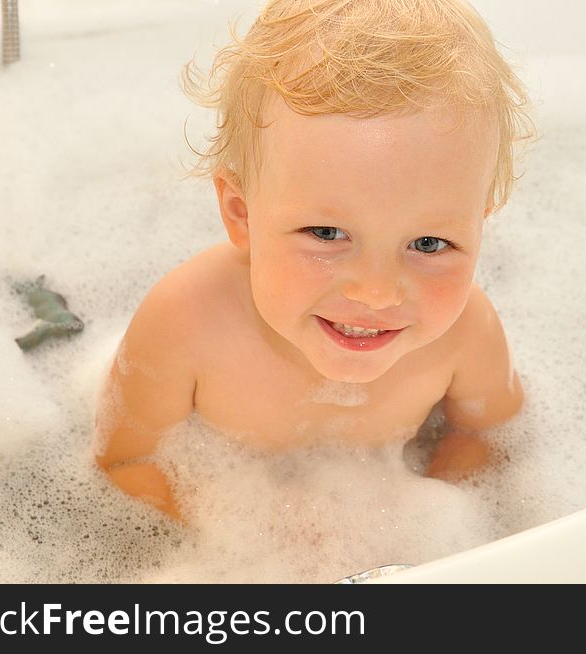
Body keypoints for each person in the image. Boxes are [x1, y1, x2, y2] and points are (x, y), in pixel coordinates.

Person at [94, 0, 532, 520]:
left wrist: (418, 522)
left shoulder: (468, 333)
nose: (376, 292)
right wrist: (239, 546)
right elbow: (125, 463)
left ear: (479, 225)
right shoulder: (185, 323)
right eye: (326, 233)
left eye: (429, 244)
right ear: (242, 215)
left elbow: (489, 439)